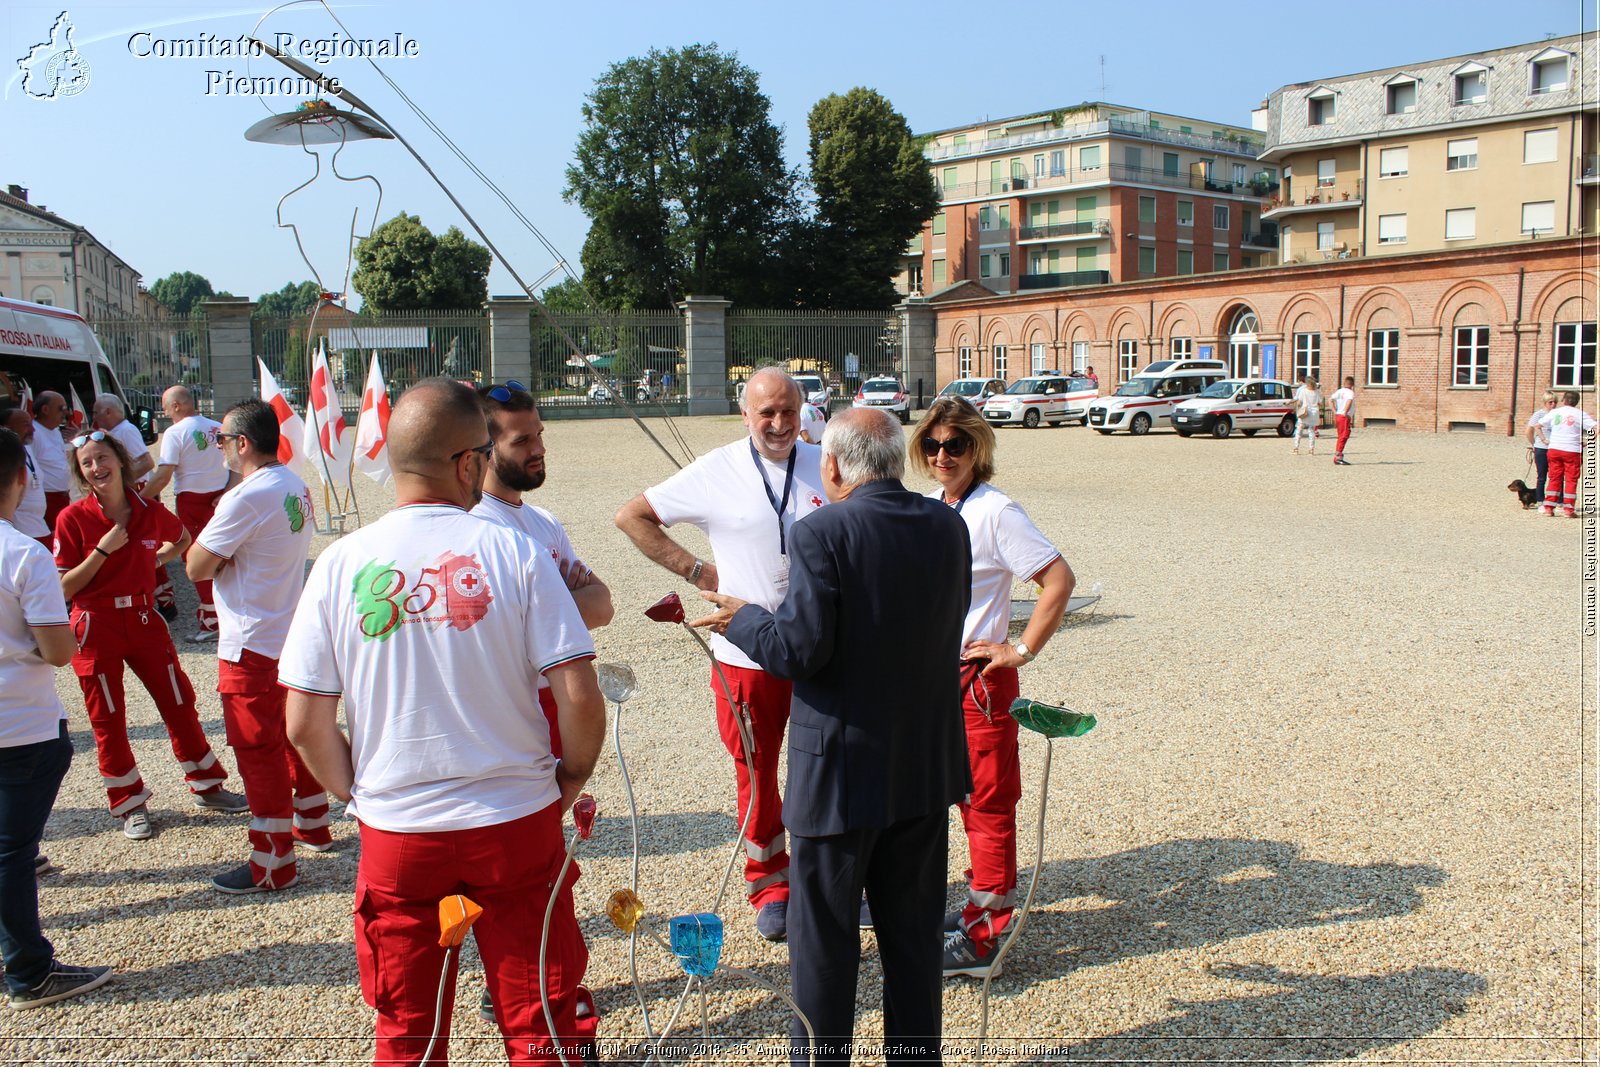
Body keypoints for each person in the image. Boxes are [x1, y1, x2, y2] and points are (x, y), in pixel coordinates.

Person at [282, 378, 606, 1066]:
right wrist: (569, 776)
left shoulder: (339, 563)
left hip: (400, 830)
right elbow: (577, 692)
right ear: (468, 463)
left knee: (407, 1029)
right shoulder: (514, 550)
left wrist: (362, 794)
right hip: (514, 816)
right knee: (542, 1021)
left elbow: (305, 721)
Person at [696, 408, 971, 1064]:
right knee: (913, 945)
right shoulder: (947, 524)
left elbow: (798, 650)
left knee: (823, 948)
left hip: (841, 776)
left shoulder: (821, 530)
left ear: (834, 466)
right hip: (923, 765)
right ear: (898, 459)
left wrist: (743, 620)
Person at [614, 366, 827, 942]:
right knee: (757, 771)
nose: (780, 424)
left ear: (803, 408)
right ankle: (769, 883)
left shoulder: (827, 463)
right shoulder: (716, 470)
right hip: (745, 654)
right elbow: (631, 516)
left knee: (826, 766)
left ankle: (825, 875)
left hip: (822, 652)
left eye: (789, 411)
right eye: (767, 414)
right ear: (745, 415)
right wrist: (697, 570)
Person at [907, 396, 1075, 978]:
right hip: (932, 679)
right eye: (932, 444)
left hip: (979, 679)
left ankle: (987, 941)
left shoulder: (997, 511)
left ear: (978, 447)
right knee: (942, 798)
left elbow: (1058, 578)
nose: (942, 455)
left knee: (986, 804)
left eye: (955, 444)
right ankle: (977, 906)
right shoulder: (933, 506)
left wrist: (1021, 648)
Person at [471, 380, 611, 1038]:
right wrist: (558, 599)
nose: (538, 446)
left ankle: (528, 985)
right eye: (520, 438)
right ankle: (533, 997)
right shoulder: (477, 529)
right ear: (481, 447)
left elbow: (604, 602)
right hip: (510, 720)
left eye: (539, 433)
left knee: (542, 869)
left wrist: (549, 603)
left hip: (552, 712)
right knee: (517, 874)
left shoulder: (542, 523)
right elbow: (523, 626)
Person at [52, 429, 247, 839]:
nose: (96, 468)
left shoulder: (148, 509)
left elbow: (182, 539)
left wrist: (155, 558)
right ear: (81, 473)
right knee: (108, 718)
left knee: (178, 701)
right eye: (87, 463)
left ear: (121, 461)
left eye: (102, 458)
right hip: (96, 623)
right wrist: (103, 550)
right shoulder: (73, 518)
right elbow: (64, 587)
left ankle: (208, 785)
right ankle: (129, 803)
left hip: (143, 619)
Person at [185, 399, 330, 895]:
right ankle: (312, 821)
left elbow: (196, 566)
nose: (221, 448)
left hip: (248, 639)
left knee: (257, 750)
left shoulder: (245, 497)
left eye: (223, 440)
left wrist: (223, 561)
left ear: (242, 443)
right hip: (286, 631)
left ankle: (272, 862)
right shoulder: (293, 483)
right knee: (290, 735)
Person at [0, 427, 114, 1009]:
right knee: (11, 856)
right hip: (19, 726)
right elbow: (56, 650)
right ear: (23, 480)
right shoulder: (23, 553)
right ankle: (28, 971)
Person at [143, 386, 231, 642]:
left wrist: (137, 500)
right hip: (220, 498)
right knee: (223, 554)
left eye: (166, 406)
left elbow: (163, 475)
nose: (164, 412)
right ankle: (227, 612)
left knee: (195, 557)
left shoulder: (175, 432)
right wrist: (228, 491)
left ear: (177, 406)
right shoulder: (217, 427)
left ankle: (212, 621)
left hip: (192, 500)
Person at [92, 393, 172, 621]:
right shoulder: (116, 433)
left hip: (137, 492)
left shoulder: (126, 431)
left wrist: (118, 483)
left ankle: (164, 598)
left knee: (146, 544)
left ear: (108, 412)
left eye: (97, 412)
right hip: (132, 492)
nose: (94, 417)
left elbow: (146, 461)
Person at [1538, 391, 1596, 518]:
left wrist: (1544, 440)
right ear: (1577, 402)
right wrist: (1589, 441)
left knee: (1554, 478)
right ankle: (1568, 510)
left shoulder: (1554, 412)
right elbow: (1596, 427)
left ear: (1563, 400)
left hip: (1554, 448)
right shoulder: (1580, 414)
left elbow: (1538, 425)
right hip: (1572, 449)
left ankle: (1549, 507)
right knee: (1571, 480)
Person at [3, 408, 50, 547]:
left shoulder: (27, 447)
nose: (33, 430)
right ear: (6, 428)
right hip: (22, 533)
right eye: (26, 424)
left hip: (41, 527)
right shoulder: (6, 458)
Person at [30, 391, 72, 530]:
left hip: (63, 495)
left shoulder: (55, 431)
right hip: (48, 498)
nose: (65, 413)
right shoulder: (33, 433)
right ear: (45, 410)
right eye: (61, 408)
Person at [1526, 390, 1558, 502]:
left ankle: (1557, 499)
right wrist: (1534, 444)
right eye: (1550, 402)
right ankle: (1540, 499)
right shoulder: (1538, 414)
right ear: (1545, 403)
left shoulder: (1558, 415)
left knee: (1556, 476)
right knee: (1541, 476)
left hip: (1555, 448)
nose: (1553, 405)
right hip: (1541, 448)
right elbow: (1529, 431)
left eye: (1555, 402)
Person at [1329, 376, 1356, 466]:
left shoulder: (1339, 391)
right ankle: (1338, 456)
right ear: (1352, 384)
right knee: (1344, 435)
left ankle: (1339, 455)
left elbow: (1330, 400)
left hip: (1339, 415)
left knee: (1342, 434)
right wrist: (1345, 411)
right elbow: (1349, 401)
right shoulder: (1350, 392)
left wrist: (1335, 411)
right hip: (1344, 416)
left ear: (1344, 383)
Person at [1291, 376, 1321, 455]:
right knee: (1311, 432)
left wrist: (1297, 408)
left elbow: (1299, 402)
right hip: (1314, 413)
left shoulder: (1303, 391)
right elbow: (1319, 403)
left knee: (1299, 430)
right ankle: (1311, 449)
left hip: (1305, 412)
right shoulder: (1317, 392)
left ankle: (1296, 448)